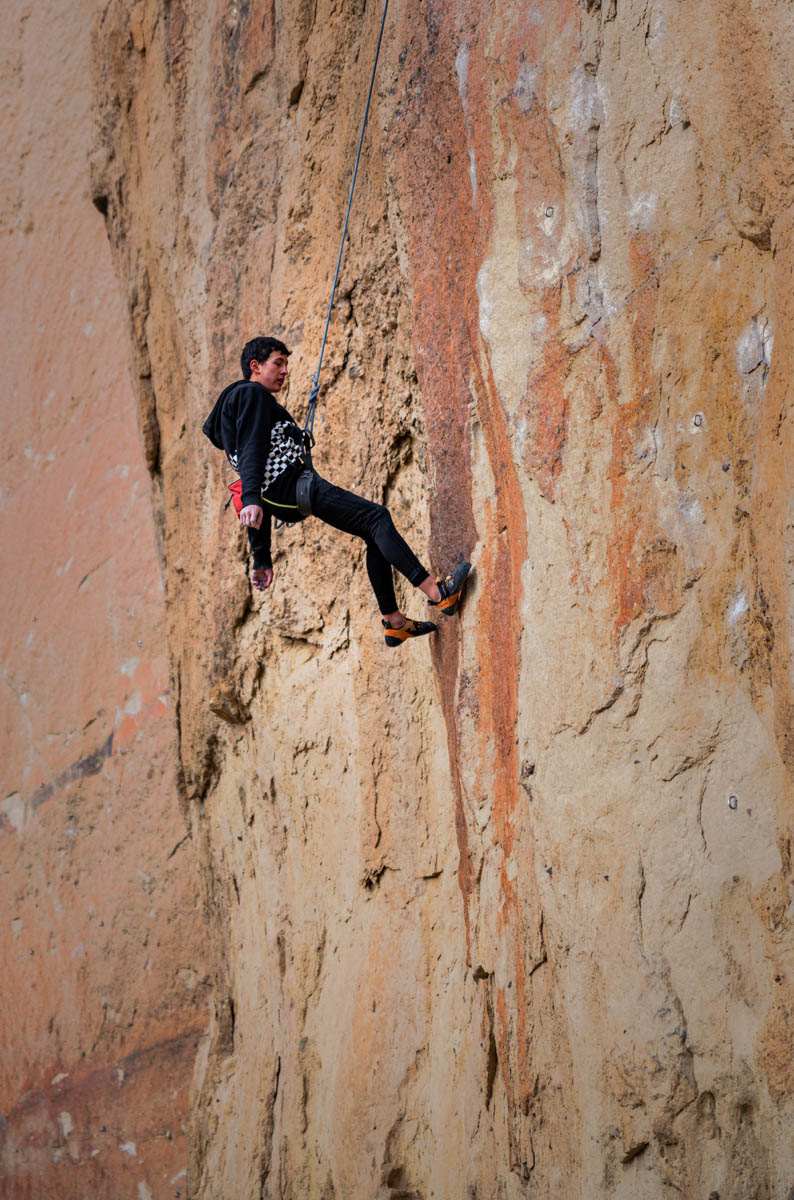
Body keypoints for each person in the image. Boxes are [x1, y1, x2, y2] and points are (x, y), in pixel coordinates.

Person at [203, 336, 471, 646]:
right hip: (292, 486)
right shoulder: (251, 394)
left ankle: (395, 623)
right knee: (377, 518)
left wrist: (261, 557)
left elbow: (252, 471)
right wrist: (251, 498)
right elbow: (254, 451)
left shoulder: (236, 410)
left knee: (372, 531)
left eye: (286, 364)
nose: (284, 371)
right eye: (278, 363)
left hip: (282, 495)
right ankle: (439, 593)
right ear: (255, 366)